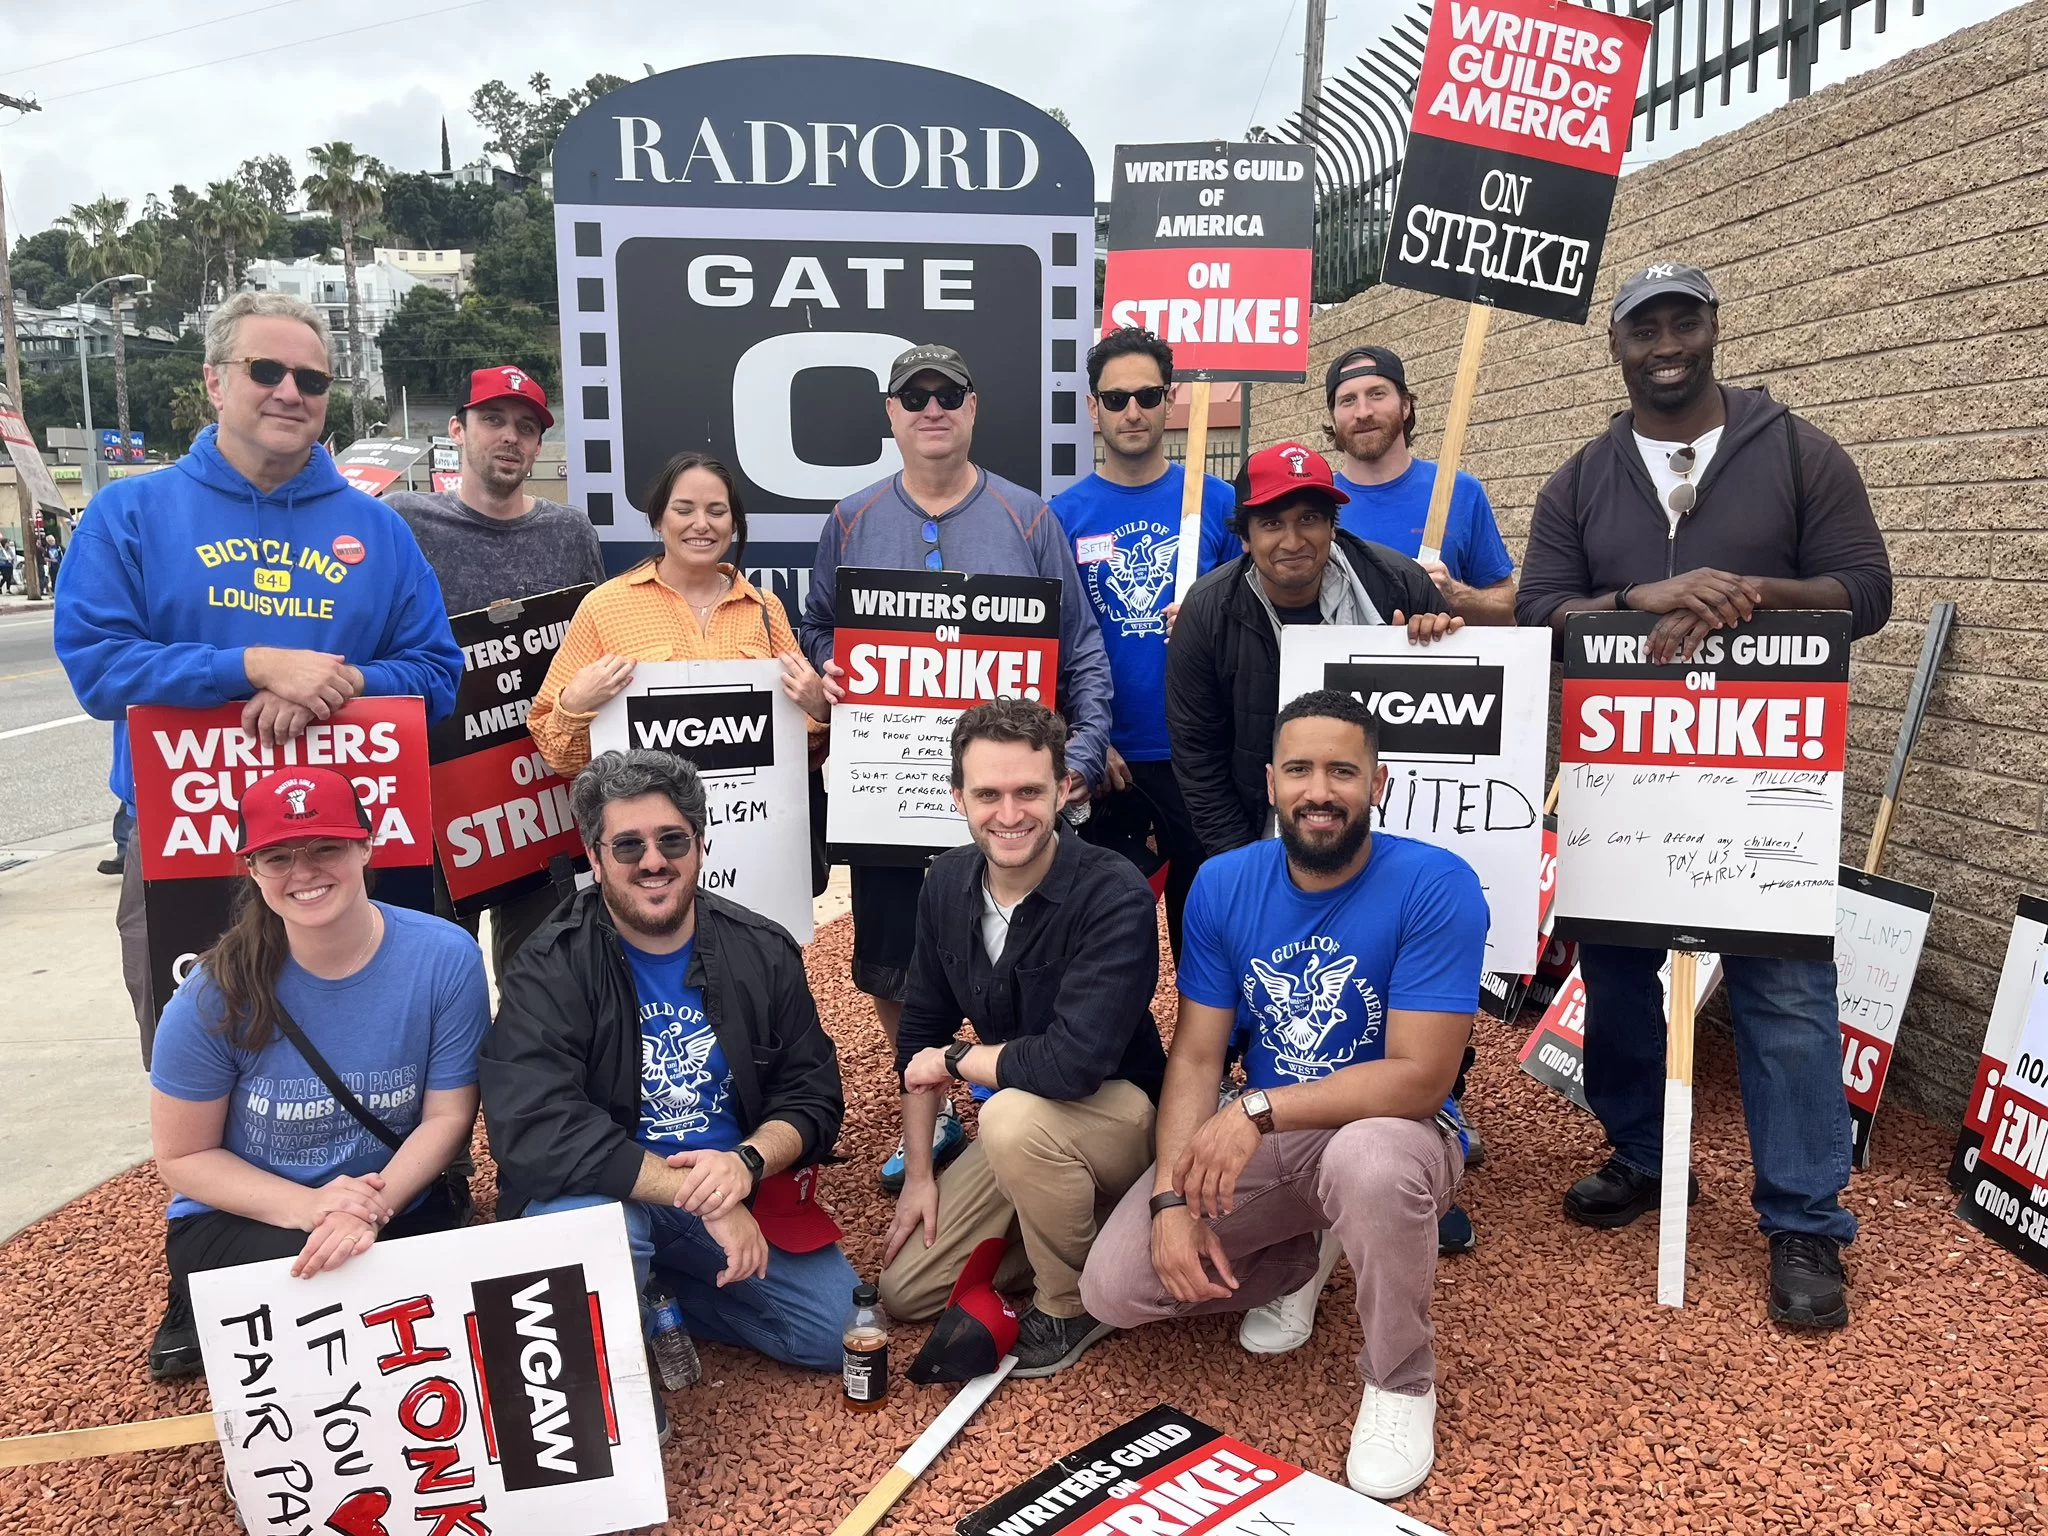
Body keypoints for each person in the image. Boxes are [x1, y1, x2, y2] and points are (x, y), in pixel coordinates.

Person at [1516, 260, 1892, 1330]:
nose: (1664, 341)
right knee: (1623, 977)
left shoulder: (1798, 452)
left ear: (1713, 328)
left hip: (1760, 772)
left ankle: (1804, 1224)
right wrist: (1641, 595)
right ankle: (1641, 1155)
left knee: (1781, 999)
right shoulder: (1580, 478)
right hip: (1626, 768)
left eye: (1682, 320)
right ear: (1616, 347)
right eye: (1644, 326)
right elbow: (1543, 605)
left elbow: (1863, 592)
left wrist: (1744, 593)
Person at [1081, 690, 1486, 1499]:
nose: (1320, 790)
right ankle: (1308, 1251)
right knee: (1116, 1288)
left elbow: (1421, 1077)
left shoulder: (1436, 884)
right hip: (1275, 1136)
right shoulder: (1225, 883)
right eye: (1299, 769)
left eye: (1343, 770)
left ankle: (1400, 1380)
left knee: (1369, 1162)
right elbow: (1196, 1057)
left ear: (1379, 782)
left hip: (1394, 1128)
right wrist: (1169, 1202)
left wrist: (1257, 1109)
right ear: (1270, 782)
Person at [54, 292, 463, 1066]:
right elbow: (99, 668)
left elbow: (437, 674)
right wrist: (247, 667)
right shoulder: (130, 512)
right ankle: (221, 1190)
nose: (290, 392)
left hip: (351, 831)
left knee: (378, 1041)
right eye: (266, 369)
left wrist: (332, 683)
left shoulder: (378, 528)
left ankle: (407, 1185)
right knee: (208, 1044)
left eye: (312, 380)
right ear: (214, 381)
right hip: (191, 833)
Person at [799, 342, 1115, 1191]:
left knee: (1027, 956)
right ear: (891, 415)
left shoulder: (1029, 519)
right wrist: (832, 665)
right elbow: (817, 626)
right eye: (915, 396)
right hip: (892, 790)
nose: (932, 408)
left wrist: (1081, 753)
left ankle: (1030, 1105)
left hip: (1009, 797)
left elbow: (1080, 647)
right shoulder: (852, 518)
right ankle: (932, 1114)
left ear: (972, 408)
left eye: (949, 393)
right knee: (897, 963)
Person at [1165, 440, 1479, 1258]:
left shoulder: (1395, 583)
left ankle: (1416, 1146)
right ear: (1246, 532)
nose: (1293, 538)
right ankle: (1274, 1138)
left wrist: (1443, 634)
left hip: (1377, 840)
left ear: (1334, 522)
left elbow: (1465, 664)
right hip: (1259, 833)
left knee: (1408, 992)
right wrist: (1257, 873)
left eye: (1311, 517)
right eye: (1273, 521)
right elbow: (1194, 754)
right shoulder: (1208, 610)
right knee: (1257, 1008)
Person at [479, 749, 855, 1374]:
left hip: (735, 1183)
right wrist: (702, 1197)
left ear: (700, 847)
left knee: (835, 1333)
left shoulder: (762, 950)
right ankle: (612, 1368)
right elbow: (534, 1128)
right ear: (595, 860)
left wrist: (747, 1162)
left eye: (671, 840)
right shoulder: (548, 966)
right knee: (608, 1236)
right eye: (627, 846)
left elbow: (814, 1094)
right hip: (611, 1193)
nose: (653, 861)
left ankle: (655, 1300)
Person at [145, 766, 489, 1380]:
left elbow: (448, 1115)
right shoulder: (210, 994)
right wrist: (312, 1209)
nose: (303, 872)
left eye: (326, 846)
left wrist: (367, 1211)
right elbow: (183, 1156)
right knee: (329, 1298)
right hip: (250, 1215)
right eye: (277, 856)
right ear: (251, 870)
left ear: (365, 844)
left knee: (437, 1331)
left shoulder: (445, 955)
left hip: (389, 1198)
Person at [879, 699, 1165, 1377]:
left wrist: (955, 1059)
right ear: (958, 798)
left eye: (1029, 791)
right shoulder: (946, 883)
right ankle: (1082, 1230)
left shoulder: (1113, 893)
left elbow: (1072, 1065)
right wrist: (921, 1175)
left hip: (1124, 1115)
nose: (1009, 814)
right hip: (1031, 1123)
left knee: (1006, 1115)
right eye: (988, 794)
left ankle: (1070, 1304)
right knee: (907, 1289)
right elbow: (918, 1033)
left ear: (1064, 787)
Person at [387, 365, 607, 976]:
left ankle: (522, 1076)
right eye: (493, 420)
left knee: (540, 975)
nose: (510, 437)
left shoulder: (570, 532)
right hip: (433, 793)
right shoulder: (403, 521)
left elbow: (595, 639)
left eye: (527, 427)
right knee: (430, 971)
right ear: (457, 430)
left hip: (538, 794)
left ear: (539, 444)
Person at [1050, 326, 1239, 960]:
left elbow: (1253, 621)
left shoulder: (1216, 502)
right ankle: (1121, 1058)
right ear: (1092, 407)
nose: (1132, 410)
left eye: (1148, 395)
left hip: (1201, 753)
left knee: (1207, 928)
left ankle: (1203, 1057)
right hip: (1112, 759)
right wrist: (1085, 738)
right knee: (1107, 934)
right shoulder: (1063, 515)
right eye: (1115, 398)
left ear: (1172, 399)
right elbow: (1053, 641)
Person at [527, 452, 827, 779]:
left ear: (734, 524)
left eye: (717, 511)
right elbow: (559, 757)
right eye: (683, 510)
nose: (701, 524)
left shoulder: (764, 609)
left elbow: (801, 752)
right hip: (648, 826)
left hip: (752, 820)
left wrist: (819, 710)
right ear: (658, 519)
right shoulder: (604, 607)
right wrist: (573, 704)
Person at [1325, 346, 1517, 625]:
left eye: (1377, 394)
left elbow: (1508, 608)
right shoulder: (1317, 502)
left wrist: (1455, 594)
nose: (1363, 412)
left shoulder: (1458, 491)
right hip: (1343, 666)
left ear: (1405, 406)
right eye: (1347, 400)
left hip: (1438, 666)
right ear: (1333, 417)